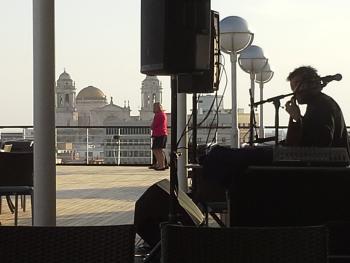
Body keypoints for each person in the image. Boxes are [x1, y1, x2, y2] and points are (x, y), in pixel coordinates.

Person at [284, 66, 349, 153]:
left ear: (311, 83)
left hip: (327, 166)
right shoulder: (318, 103)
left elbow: (322, 140)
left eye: (297, 84)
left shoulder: (322, 105)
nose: (295, 91)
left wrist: (297, 117)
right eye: (292, 87)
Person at [150, 102, 168, 170]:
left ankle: (161, 165)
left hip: (159, 134)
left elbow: (154, 125)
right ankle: (161, 164)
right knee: (159, 150)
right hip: (162, 133)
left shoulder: (158, 115)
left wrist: (152, 126)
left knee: (157, 150)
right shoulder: (163, 114)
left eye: (154, 107)